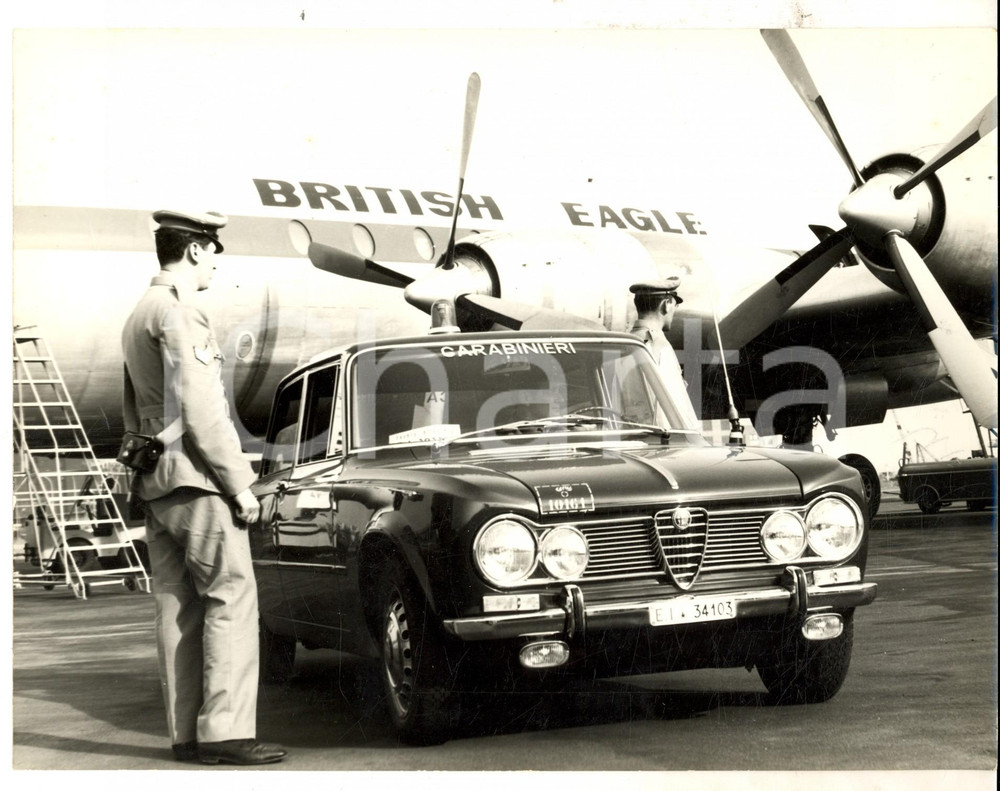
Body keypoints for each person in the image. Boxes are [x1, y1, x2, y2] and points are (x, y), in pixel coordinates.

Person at [121, 209, 286, 766]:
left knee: (177, 608)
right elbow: (204, 409)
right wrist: (239, 484)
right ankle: (226, 732)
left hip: (157, 482)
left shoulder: (139, 312)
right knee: (231, 597)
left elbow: (135, 410)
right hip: (197, 480)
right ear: (195, 250)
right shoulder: (182, 311)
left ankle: (186, 734)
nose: (216, 262)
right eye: (214, 250)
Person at [629, 276, 700, 427]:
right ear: (666, 305)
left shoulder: (625, 343)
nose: (675, 309)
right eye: (675, 304)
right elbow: (671, 410)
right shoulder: (660, 347)